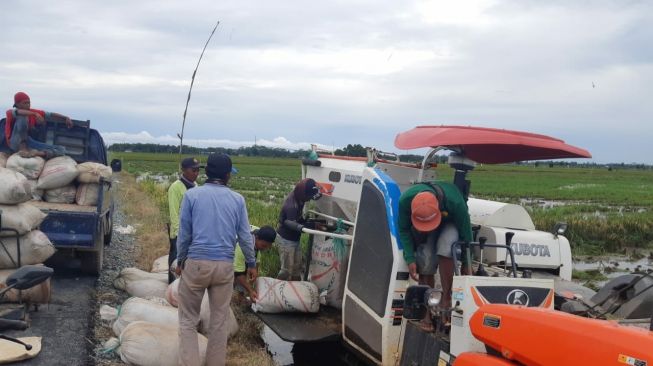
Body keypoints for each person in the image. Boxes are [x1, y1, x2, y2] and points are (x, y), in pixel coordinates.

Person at [175, 153, 254, 366]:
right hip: (225, 267)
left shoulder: (192, 196)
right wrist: (251, 263)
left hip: (197, 264)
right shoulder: (237, 200)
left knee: (188, 321)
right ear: (228, 175)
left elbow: (184, 234)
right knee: (219, 323)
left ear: (206, 172)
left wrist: (181, 260)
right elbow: (245, 237)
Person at [398, 181, 472, 330]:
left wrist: (466, 262)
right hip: (427, 225)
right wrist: (410, 258)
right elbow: (404, 229)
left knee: (447, 246)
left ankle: (446, 298)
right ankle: (425, 310)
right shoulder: (405, 201)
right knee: (425, 258)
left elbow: (466, 235)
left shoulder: (456, 203)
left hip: (450, 221)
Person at [276, 178, 322, 280]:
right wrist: (309, 226)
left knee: (297, 267)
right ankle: (277, 291)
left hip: (294, 239)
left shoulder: (299, 198)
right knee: (286, 270)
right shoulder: (292, 205)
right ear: (303, 193)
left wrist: (312, 223)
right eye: (308, 197)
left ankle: (297, 288)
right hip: (286, 240)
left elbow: (299, 219)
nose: (309, 199)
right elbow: (292, 224)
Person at [1, 92, 72, 158]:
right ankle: (23, 147)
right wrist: (34, 114)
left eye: (29, 103)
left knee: (61, 149)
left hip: (28, 141)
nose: (28, 105)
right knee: (23, 116)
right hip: (14, 143)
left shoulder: (33, 111)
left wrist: (65, 117)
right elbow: (19, 112)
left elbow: (50, 114)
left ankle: (39, 153)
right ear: (17, 104)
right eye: (25, 103)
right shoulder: (10, 113)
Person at [167, 157, 201, 283]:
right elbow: (174, 213)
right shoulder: (176, 187)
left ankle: (182, 288)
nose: (196, 173)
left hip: (194, 233)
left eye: (198, 170)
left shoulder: (196, 186)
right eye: (193, 170)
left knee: (188, 263)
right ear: (184, 170)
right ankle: (171, 285)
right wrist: (177, 235)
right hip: (179, 233)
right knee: (175, 262)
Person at [233, 225, 276, 302]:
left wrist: (255, 273)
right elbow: (238, 273)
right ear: (256, 238)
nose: (265, 248)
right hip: (223, 259)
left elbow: (256, 260)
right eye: (263, 246)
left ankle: (240, 295)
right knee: (233, 276)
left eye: (268, 247)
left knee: (248, 271)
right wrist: (250, 290)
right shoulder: (241, 246)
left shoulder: (257, 241)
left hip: (241, 260)